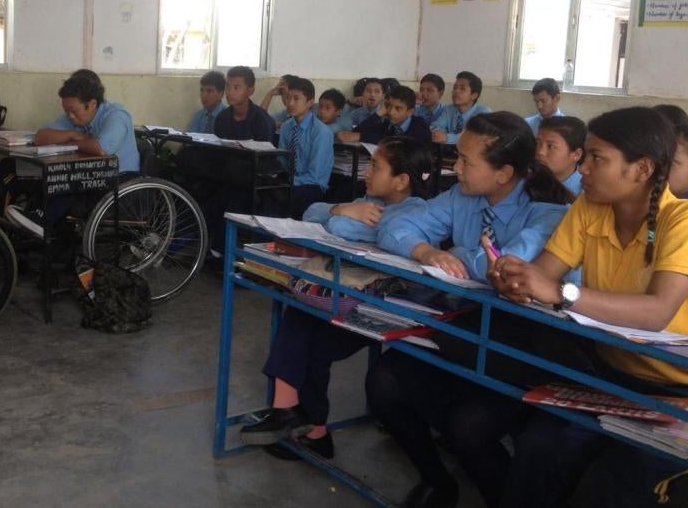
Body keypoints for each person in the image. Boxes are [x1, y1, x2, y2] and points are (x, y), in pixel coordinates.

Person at [490, 107, 688, 508]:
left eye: (597, 158)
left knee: (613, 485)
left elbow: (657, 312)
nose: (584, 168)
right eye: (586, 156)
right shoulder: (590, 207)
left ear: (642, 169)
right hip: (612, 375)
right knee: (538, 450)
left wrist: (560, 293)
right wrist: (516, 281)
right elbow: (543, 274)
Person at [367, 112, 572, 508]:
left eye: (465, 161)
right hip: (467, 331)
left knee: (468, 427)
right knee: (384, 382)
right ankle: (438, 481)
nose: (454, 167)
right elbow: (394, 226)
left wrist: (458, 253)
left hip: (521, 346)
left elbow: (507, 269)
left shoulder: (548, 210)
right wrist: (425, 250)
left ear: (503, 173)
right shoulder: (462, 196)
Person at [238, 138, 432, 460]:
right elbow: (312, 211)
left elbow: (346, 230)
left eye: (377, 167)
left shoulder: (416, 211)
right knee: (301, 313)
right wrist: (344, 208)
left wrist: (342, 217)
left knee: (311, 339)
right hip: (347, 294)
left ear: (401, 180)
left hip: (384, 307)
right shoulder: (369, 201)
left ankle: (309, 426)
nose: (367, 173)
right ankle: (297, 418)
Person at [5, 73, 139, 239]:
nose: (70, 116)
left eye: (73, 111)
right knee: (53, 176)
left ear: (92, 104)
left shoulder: (116, 115)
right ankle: (41, 222)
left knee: (70, 179)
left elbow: (101, 148)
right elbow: (41, 137)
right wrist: (71, 135)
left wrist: (71, 143)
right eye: (67, 111)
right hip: (94, 173)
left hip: (121, 180)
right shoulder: (75, 118)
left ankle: (44, 222)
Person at [278, 77, 333, 219]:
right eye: (288, 98)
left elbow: (315, 175)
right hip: (290, 181)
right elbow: (282, 160)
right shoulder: (286, 127)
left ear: (310, 102)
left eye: (296, 99)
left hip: (312, 186)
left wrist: (289, 182)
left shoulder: (322, 132)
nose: (290, 103)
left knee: (290, 198)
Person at [341, 84, 430, 145]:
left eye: (398, 108)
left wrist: (362, 137)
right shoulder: (388, 123)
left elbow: (399, 143)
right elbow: (357, 131)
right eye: (389, 106)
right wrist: (379, 112)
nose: (391, 112)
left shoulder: (420, 126)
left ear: (410, 112)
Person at [213, 66, 274, 142]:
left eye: (236, 87)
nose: (230, 92)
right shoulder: (221, 118)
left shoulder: (262, 120)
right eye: (227, 86)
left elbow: (265, 152)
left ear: (250, 91)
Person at [430, 71, 491, 145]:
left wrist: (448, 137)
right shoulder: (450, 109)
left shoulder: (484, 113)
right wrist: (440, 133)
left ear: (474, 95)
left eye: (462, 89)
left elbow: (476, 137)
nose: (456, 91)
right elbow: (434, 126)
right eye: (455, 87)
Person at [536, 115, 586, 197]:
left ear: (576, 155)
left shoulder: (587, 192)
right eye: (537, 143)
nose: (540, 152)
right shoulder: (527, 180)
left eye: (551, 146)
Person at [186, 70, 226, 134]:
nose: (203, 95)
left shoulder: (228, 116)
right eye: (202, 90)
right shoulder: (199, 115)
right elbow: (190, 138)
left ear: (220, 94)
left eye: (209, 91)